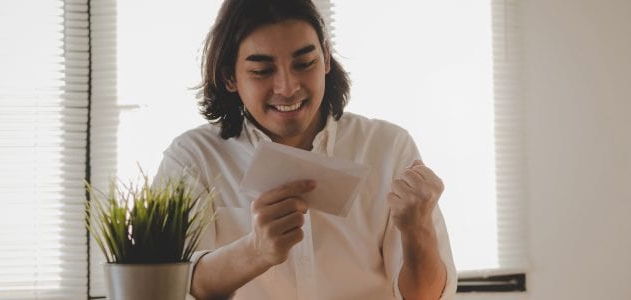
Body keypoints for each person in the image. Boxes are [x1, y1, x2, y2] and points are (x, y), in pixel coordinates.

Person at [154, 0, 457, 299]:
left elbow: (425, 296)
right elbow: (170, 285)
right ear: (230, 76)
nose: (287, 87)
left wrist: (417, 230)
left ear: (326, 58)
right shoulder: (193, 158)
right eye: (262, 70)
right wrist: (256, 251)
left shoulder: (387, 147)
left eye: (304, 64)